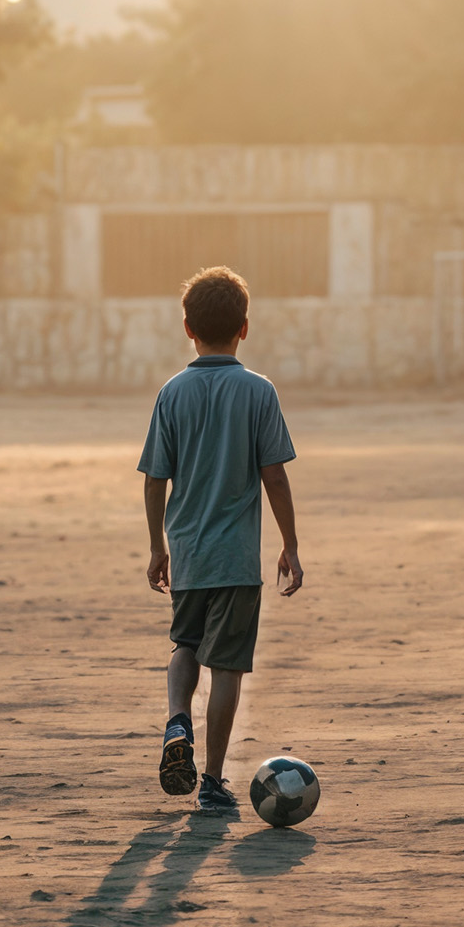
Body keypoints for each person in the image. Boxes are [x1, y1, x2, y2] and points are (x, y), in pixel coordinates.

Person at [137, 264, 303, 816]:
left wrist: (159, 546)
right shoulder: (258, 391)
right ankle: (210, 780)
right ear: (245, 327)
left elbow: (155, 477)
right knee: (227, 666)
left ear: (187, 328)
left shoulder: (172, 393)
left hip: (188, 553)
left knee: (184, 645)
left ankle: (176, 719)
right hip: (235, 559)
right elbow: (274, 475)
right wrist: (291, 546)